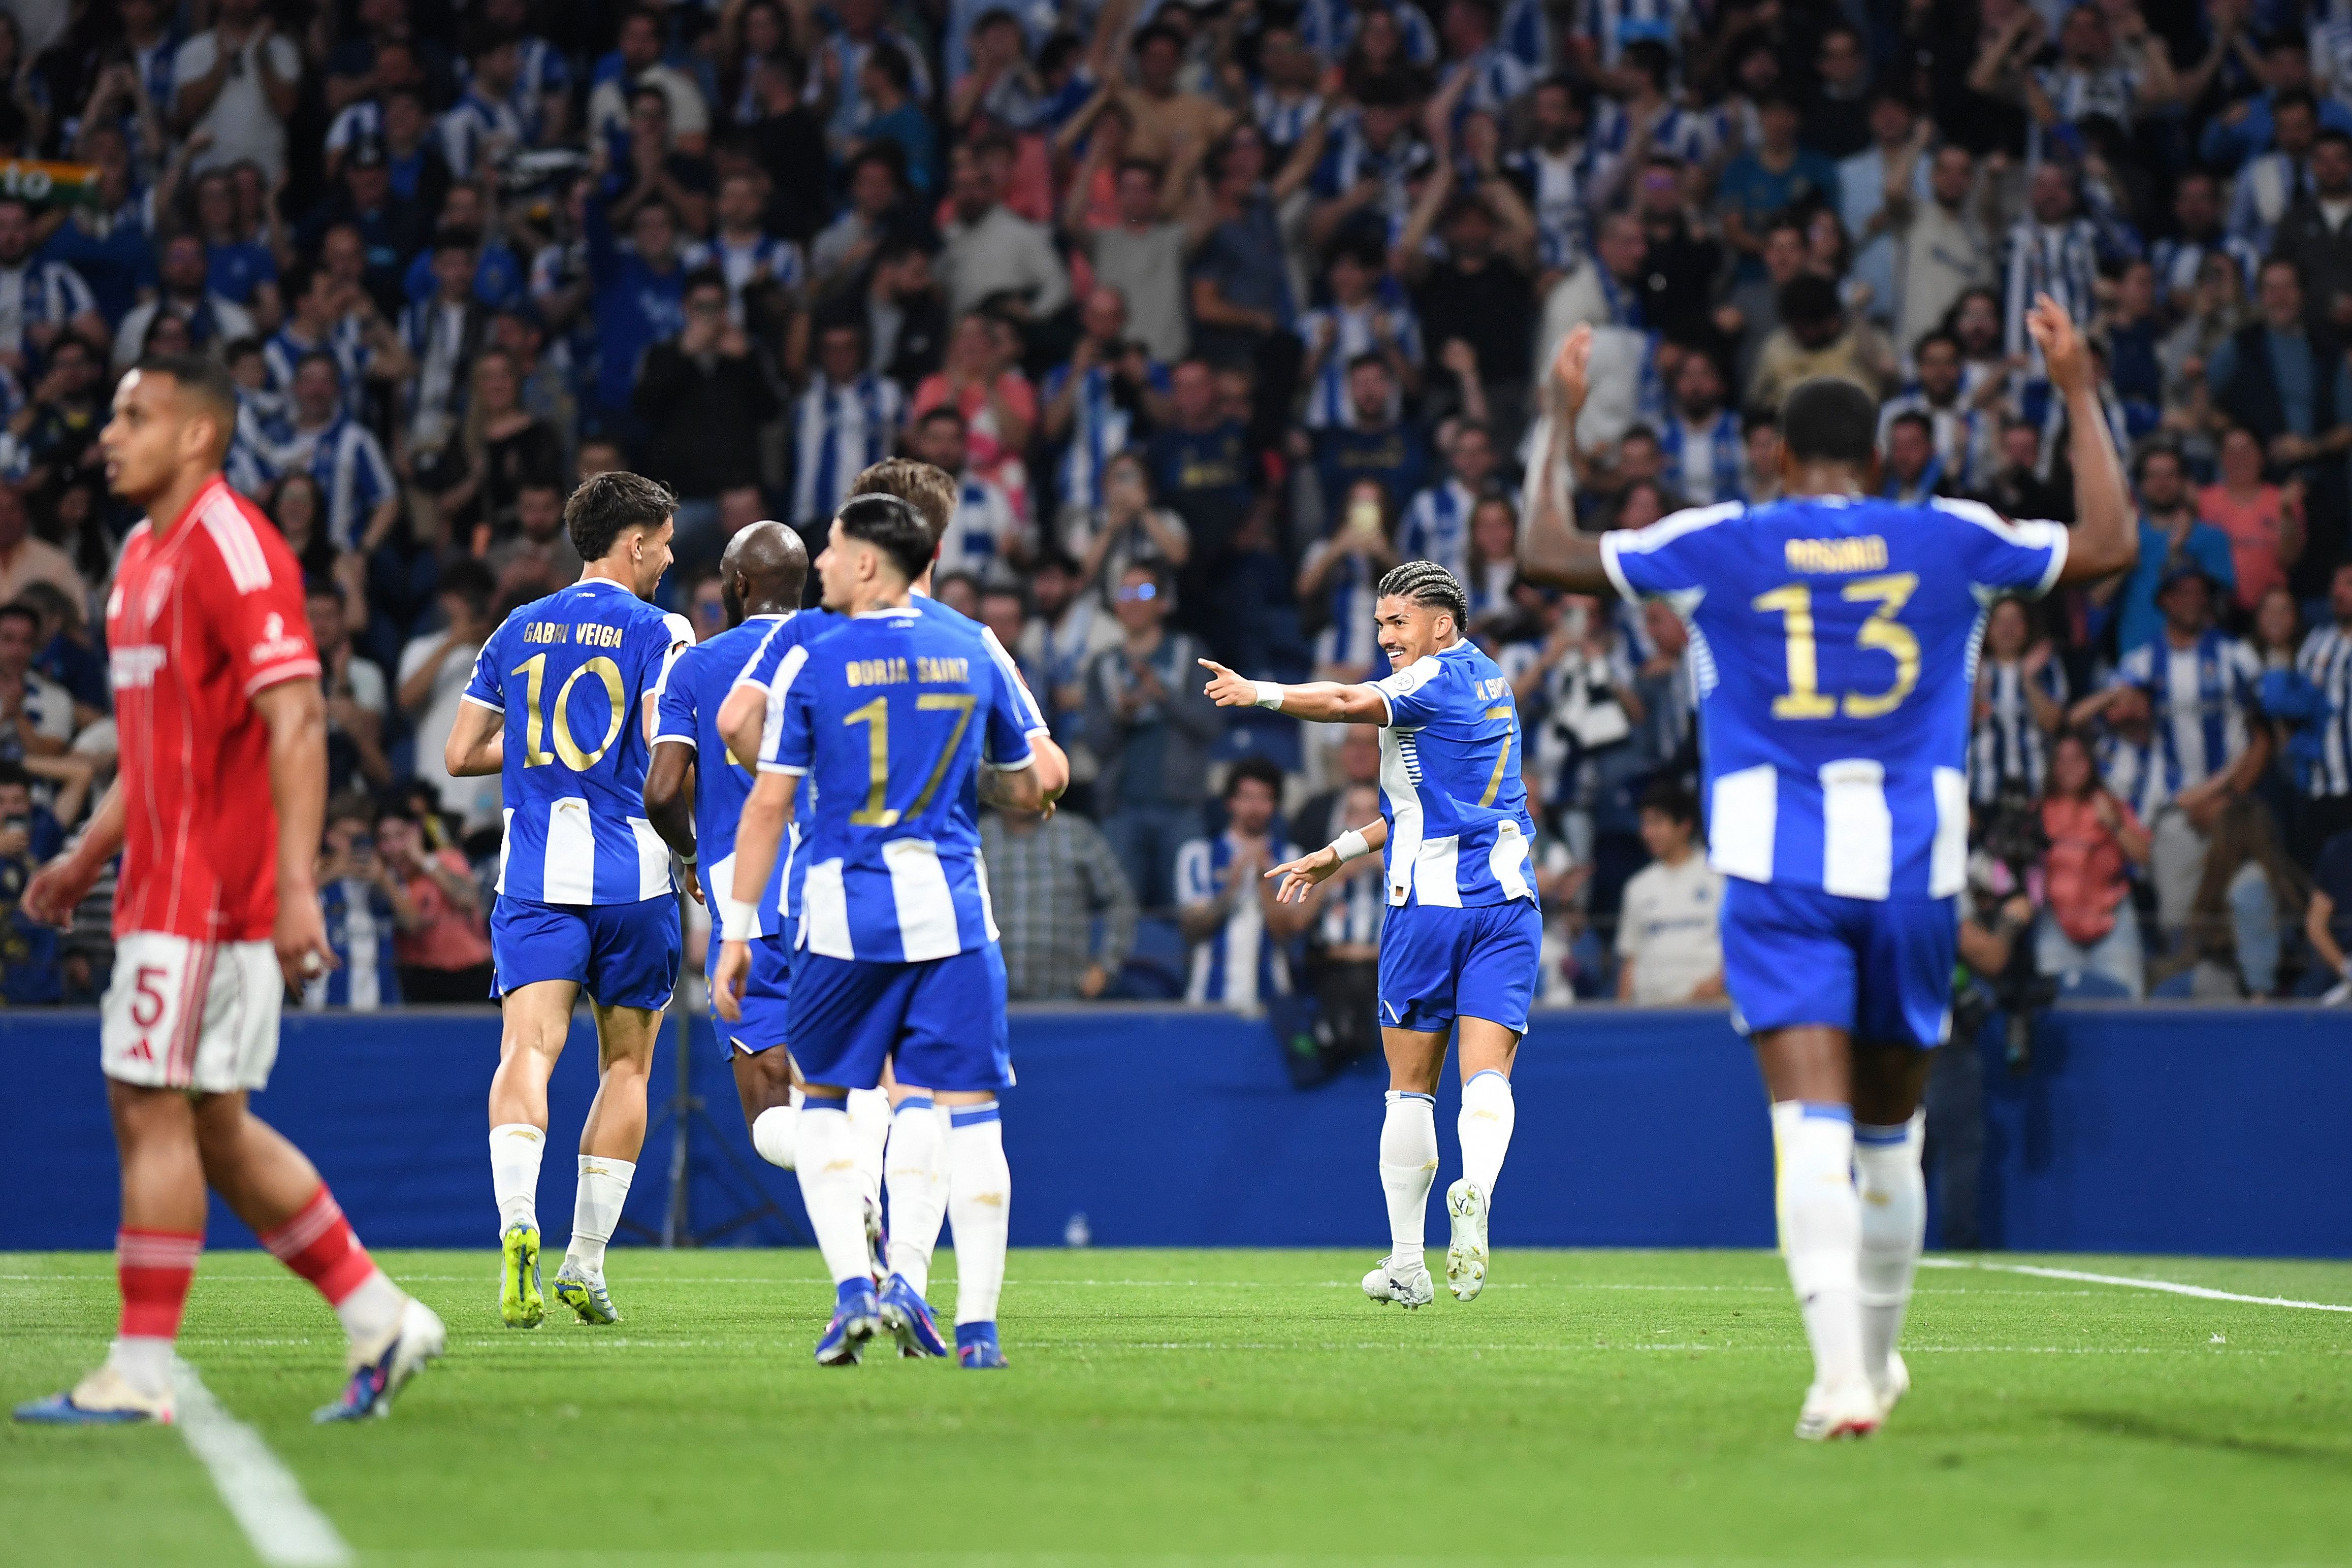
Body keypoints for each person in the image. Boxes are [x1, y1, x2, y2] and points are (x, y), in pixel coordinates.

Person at [1516, 298, 2136, 1439]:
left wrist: (1558, 419)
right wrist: (2080, 392)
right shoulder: (1947, 535)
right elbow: (2107, 544)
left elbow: (1543, 554)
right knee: (1888, 1137)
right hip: (1912, 867)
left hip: (1776, 866)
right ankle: (1877, 1361)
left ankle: (1841, 1377)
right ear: (1877, 459)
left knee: (1807, 1124)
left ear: (1778, 457)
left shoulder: (1721, 542)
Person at [15, 354, 442, 1425]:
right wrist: (85, 854)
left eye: (136, 416)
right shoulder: (138, 554)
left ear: (198, 434)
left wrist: (296, 885)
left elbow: (297, 718)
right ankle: (381, 1316)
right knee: (210, 1125)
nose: (109, 434)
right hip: (159, 884)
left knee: (148, 1104)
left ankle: (140, 1370)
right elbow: (154, 744)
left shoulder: (233, 546)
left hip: (210, 893)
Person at [715, 493, 1059, 1370]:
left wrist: (737, 931)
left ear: (868, 561)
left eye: (833, 548)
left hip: (840, 920)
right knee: (970, 1117)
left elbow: (766, 799)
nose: (821, 563)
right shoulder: (972, 644)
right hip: (953, 917)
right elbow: (1035, 779)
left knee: (824, 1105)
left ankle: (852, 1295)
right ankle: (975, 1330)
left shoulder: (811, 648)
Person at [1216, 559, 1539, 1311]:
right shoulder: (1491, 681)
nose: (1386, 636)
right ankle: (1476, 1188)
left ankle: (1405, 1263)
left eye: (1399, 622)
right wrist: (1336, 852)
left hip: (1426, 911)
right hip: (1507, 904)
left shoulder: (1426, 681)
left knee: (1409, 1091)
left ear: (1441, 624)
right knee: (1487, 1076)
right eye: (1380, 624)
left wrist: (1259, 692)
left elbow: (1341, 701)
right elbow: (1424, 808)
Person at [441, 471, 695, 1330]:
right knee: (627, 1067)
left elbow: (459, 753)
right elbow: (665, 751)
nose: (668, 559)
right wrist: (693, 850)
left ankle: (518, 1221)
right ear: (634, 542)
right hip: (634, 880)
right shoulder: (662, 629)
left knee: (527, 1049)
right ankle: (584, 1262)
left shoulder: (516, 626)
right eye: (664, 544)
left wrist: (538, 750)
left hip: (534, 880)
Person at [643, 521, 892, 1270]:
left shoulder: (696, 667)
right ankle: (869, 1188)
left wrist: (689, 854)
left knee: (768, 1111)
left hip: (744, 898)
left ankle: (847, 1185)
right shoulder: (847, 647)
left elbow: (661, 792)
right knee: (859, 1075)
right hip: (840, 885)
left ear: (739, 584)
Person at [1175, 758, 1311, 1012]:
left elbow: (1286, 931)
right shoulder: (1197, 856)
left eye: (1264, 799)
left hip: (1271, 999)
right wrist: (1232, 888)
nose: (1255, 808)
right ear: (1231, 802)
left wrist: (1263, 881)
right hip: (1208, 997)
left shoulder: (1292, 858)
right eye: (1247, 797)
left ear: (1275, 805)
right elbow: (1192, 927)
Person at [2036, 728, 2150, 998]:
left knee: (2125, 1002)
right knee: (2053, 1006)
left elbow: (2145, 856)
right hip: (2057, 924)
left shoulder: (2111, 804)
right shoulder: (2040, 810)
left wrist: (2115, 825)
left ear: (2090, 763)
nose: (2070, 767)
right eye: (2062, 760)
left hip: (2112, 923)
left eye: (2077, 759)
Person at [1614, 781, 1724, 1004]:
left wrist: (1719, 983)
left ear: (1684, 825)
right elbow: (1630, 959)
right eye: (1645, 824)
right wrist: (1622, 1013)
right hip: (1650, 1013)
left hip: (1708, 1011)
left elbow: (1741, 947)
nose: (1648, 833)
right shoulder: (1638, 886)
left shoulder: (1718, 879)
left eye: (1657, 823)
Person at [376, 809, 493, 1003]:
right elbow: (412, 925)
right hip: (420, 979)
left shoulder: (445, 860)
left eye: (400, 835)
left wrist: (422, 859)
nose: (393, 846)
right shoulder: (385, 878)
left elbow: (468, 900)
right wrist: (386, 881)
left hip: (470, 973)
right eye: (384, 839)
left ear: (416, 833)